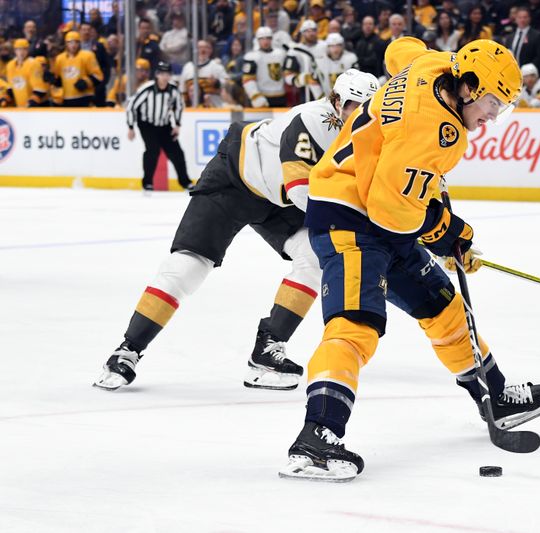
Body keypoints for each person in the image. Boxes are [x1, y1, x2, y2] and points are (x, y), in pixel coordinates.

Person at [278, 37, 540, 482]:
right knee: (355, 325)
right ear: (465, 85)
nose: (490, 116)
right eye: (488, 103)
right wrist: (449, 233)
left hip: (380, 211)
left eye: (500, 107)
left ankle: (494, 394)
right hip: (350, 214)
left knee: (445, 307)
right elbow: (392, 210)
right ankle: (316, 438)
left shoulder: (436, 65)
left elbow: (400, 51)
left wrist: (441, 220)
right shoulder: (431, 130)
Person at [95, 69, 379, 392]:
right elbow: (303, 193)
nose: (362, 114)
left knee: (313, 257)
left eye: (368, 107)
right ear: (337, 101)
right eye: (355, 105)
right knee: (188, 267)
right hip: (236, 177)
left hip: (277, 197)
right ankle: (128, 349)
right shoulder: (313, 120)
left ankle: (267, 351)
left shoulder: (371, 134)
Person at [125, 61, 193, 191]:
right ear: (157, 75)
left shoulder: (173, 90)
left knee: (177, 153)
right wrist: (131, 127)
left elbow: (178, 106)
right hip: (147, 124)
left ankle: (185, 182)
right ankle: (147, 183)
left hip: (164, 125)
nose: (165, 77)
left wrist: (177, 125)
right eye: (162, 74)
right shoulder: (147, 89)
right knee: (152, 150)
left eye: (167, 74)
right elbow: (132, 107)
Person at [52, 31, 104, 107]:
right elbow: (59, 80)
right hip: (66, 98)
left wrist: (86, 82)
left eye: (76, 42)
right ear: (66, 44)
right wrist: (52, 79)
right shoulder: (60, 59)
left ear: (79, 43)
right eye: (70, 42)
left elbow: (98, 76)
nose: (73, 45)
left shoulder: (88, 56)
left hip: (85, 97)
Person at [242, 26, 287, 107]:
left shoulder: (281, 54)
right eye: (262, 38)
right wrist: (255, 96)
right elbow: (247, 80)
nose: (265, 41)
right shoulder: (252, 57)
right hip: (261, 97)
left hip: (280, 96)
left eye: (268, 38)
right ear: (257, 40)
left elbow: (286, 73)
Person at [284, 20, 325, 103]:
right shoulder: (295, 50)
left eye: (313, 30)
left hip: (326, 85)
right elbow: (288, 76)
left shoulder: (325, 46)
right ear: (302, 33)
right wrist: (302, 79)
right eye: (307, 31)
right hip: (306, 89)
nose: (311, 33)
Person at [179, 39, 229, 107]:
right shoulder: (187, 67)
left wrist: (217, 82)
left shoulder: (217, 67)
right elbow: (182, 89)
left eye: (206, 47)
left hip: (214, 107)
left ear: (210, 50)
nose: (203, 50)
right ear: (195, 51)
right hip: (192, 109)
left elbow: (228, 85)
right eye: (199, 47)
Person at [505, 6, 540, 73]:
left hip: (529, 74)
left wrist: (529, 70)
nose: (522, 20)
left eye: (525, 17)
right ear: (516, 19)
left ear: (529, 18)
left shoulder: (537, 35)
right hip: (512, 72)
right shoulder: (510, 37)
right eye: (520, 17)